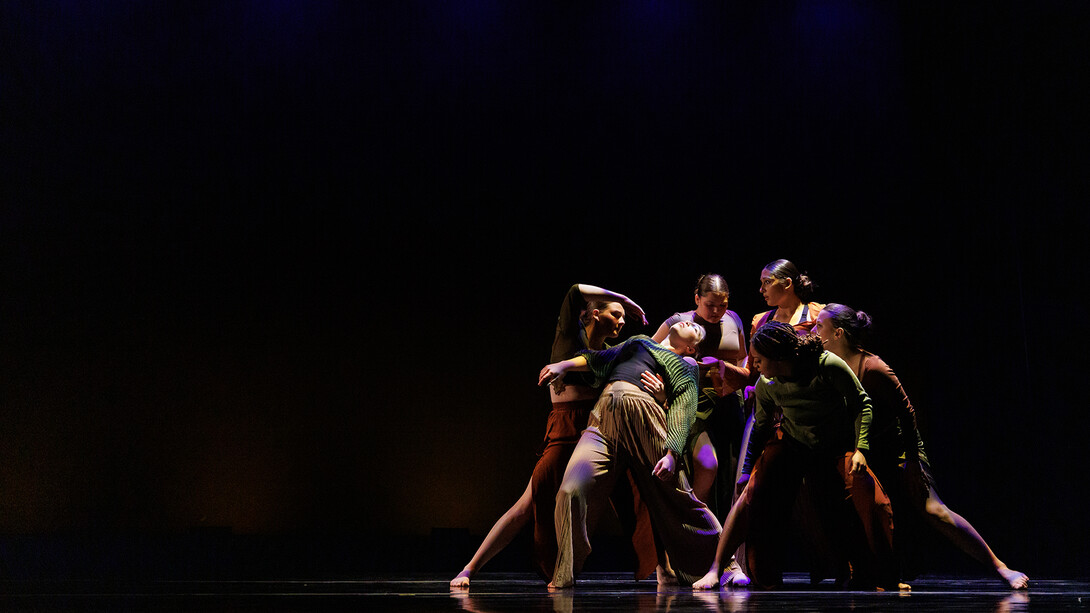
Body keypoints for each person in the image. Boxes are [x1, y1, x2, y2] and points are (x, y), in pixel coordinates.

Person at [451, 284, 656, 588]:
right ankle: (470, 568)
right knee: (529, 502)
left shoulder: (609, 354)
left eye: (624, 315)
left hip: (601, 429)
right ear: (596, 314)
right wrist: (624, 298)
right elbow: (575, 291)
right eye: (616, 314)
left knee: (640, 495)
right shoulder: (569, 338)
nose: (623, 320)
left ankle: (664, 570)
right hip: (565, 427)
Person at [812, 304, 1029, 590]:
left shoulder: (872, 367)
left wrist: (913, 462)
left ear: (838, 333)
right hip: (867, 448)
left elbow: (907, 414)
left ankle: (1000, 567)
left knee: (932, 509)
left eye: (820, 327)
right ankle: (868, 572)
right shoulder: (828, 366)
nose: (815, 332)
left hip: (900, 447)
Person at [693, 321, 895, 590]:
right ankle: (721, 570)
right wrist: (745, 471)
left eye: (759, 359)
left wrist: (861, 449)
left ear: (778, 357)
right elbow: (761, 427)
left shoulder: (826, 365)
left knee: (864, 497)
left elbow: (862, 403)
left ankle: (876, 575)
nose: (754, 366)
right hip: (792, 441)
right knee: (752, 494)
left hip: (834, 444)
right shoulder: (767, 382)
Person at [540, 321, 723, 588]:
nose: (689, 323)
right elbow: (598, 358)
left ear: (691, 347)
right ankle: (564, 574)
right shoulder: (638, 341)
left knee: (679, 495)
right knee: (571, 490)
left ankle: (725, 564)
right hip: (605, 418)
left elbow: (684, 407)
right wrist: (562, 365)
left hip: (647, 420)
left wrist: (672, 452)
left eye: (696, 329)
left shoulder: (685, 364)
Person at [652, 274, 748, 511]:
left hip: (729, 401)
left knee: (731, 466)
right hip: (693, 401)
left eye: (722, 305)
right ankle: (692, 517)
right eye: (710, 305)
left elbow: (743, 355)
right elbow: (650, 353)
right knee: (703, 465)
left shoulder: (733, 318)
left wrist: (740, 377)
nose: (717, 311)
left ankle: (718, 526)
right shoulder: (679, 322)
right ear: (697, 298)